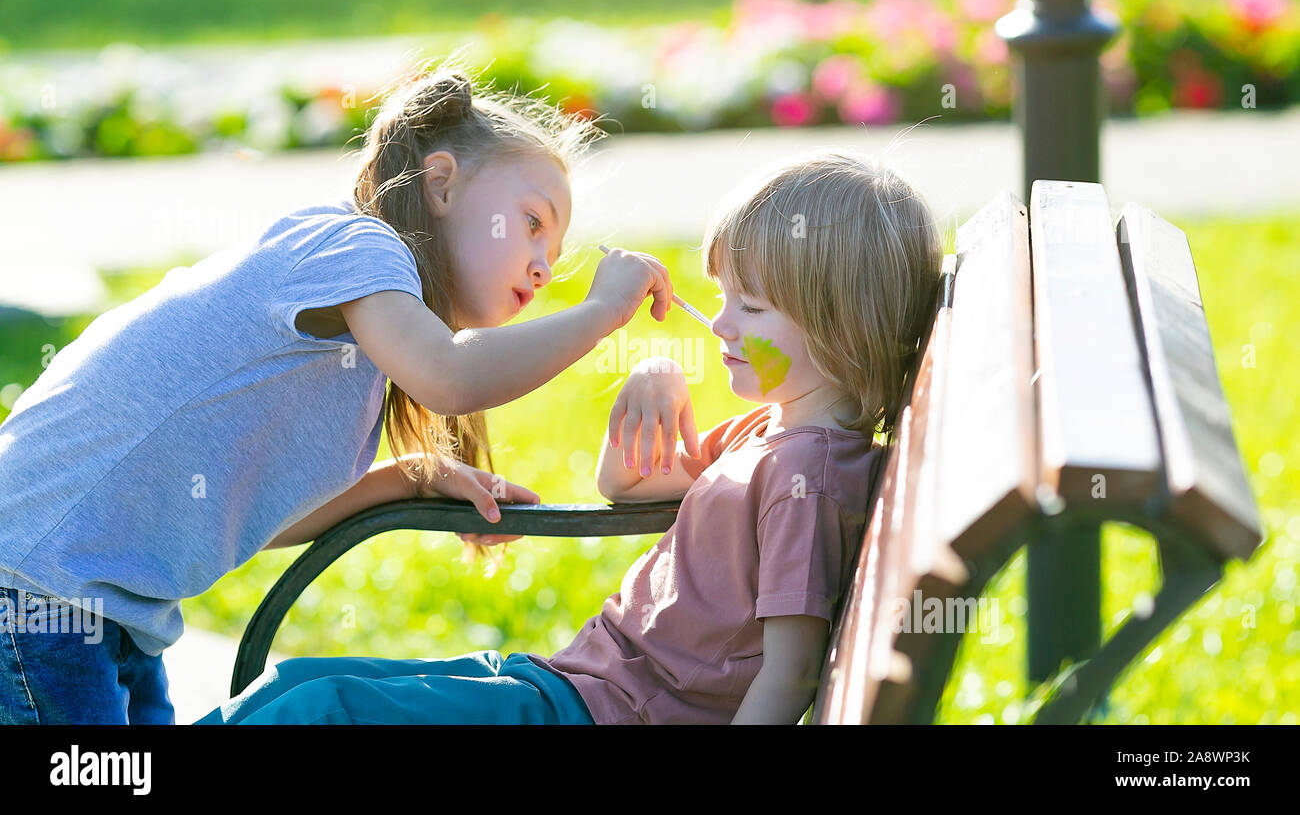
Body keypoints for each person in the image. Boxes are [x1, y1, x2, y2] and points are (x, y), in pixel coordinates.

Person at [0, 64, 676, 725]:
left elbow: (247, 513)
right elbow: (452, 373)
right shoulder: (355, 245)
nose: (544, 264)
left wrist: (406, 479)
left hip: (97, 604)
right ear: (440, 182)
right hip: (38, 588)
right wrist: (601, 314)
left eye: (554, 251)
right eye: (532, 222)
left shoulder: (364, 345)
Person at [196, 149, 944, 725]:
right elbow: (622, 484)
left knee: (321, 712)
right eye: (721, 299)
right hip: (571, 683)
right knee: (297, 688)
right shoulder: (774, 434)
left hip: (599, 709)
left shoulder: (804, 476)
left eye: (749, 306)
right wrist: (656, 379)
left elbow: (792, 670)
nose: (719, 325)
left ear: (840, 327)